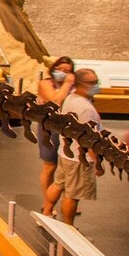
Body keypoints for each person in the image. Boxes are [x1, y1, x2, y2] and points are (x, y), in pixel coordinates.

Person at [46, 68, 103, 224]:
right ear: (81, 84)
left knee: (59, 184)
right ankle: (68, 228)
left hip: (66, 153)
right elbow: (88, 139)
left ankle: (46, 212)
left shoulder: (70, 98)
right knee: (72, 195)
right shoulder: (86, 108)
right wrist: (97, 161)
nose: (96, 85)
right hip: (79, 158)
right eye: (92, 83)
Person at [36, 56, 78, 216]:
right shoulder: (45, 84)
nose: (62, 73)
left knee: (68, 166)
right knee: (50, 166)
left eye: (66, 71)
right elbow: (55, 101)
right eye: (59, 69)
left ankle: (67, 201)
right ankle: (46, 204)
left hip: (68, 128)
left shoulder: (74, 87)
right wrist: (67, 84)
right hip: (50, 127)